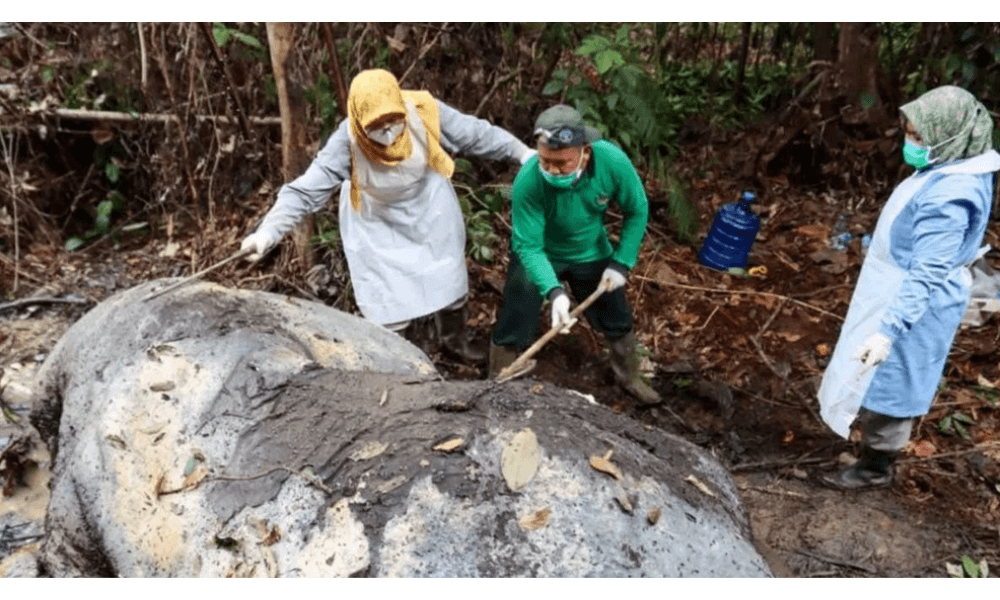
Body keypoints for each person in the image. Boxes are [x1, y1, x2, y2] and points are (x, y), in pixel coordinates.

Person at [240, 69, 535, 361]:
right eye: (377, 126)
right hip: (376, 220)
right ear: (359, 121)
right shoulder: (347, 141)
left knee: (448, 277)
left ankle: (454, 341)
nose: (388, 132)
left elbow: (477, 134)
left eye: (394, 121)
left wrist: (522, 153)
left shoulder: (423, 110)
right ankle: (403, 359)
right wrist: (268, 232)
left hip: (429, 206)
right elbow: (304, 191)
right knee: (387, 301)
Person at [819, 85, 1000, 490]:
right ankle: (868, 447)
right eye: (910, 132)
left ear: (950, 136)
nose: (911, 142)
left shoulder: (952, 195)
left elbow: (928, 271)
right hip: (895, 287)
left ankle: (875, 467)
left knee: (894, 380)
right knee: (875, 373)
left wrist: (889, 330)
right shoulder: (956, 163)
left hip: (915, 302)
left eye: (919, 136)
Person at [488, 104, 660, 405]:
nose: (552, 170)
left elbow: (637, 209)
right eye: (545, 161)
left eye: (562, 163)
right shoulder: (529, 180)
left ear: (585, 153)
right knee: (516, 312)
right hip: (540, 253)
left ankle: (630, 375)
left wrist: (621, 263)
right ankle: (498, 380)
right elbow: (529, 246)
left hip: (590, 250)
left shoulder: (612, 163)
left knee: (614, 314)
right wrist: (554, 291)